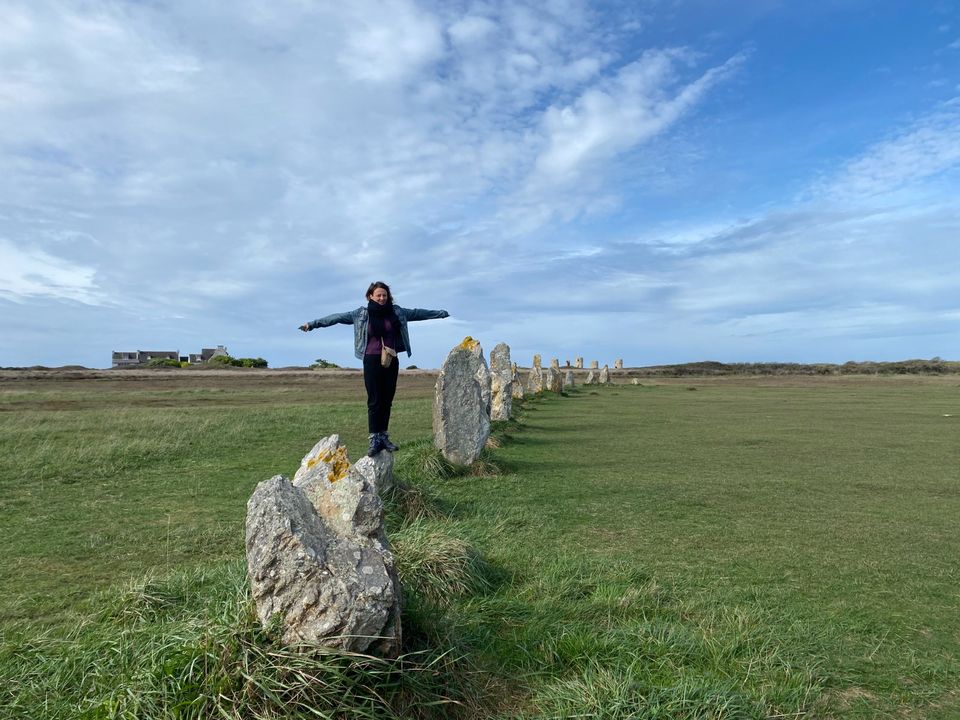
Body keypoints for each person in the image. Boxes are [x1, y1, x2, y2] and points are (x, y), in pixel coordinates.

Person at [300, 281, 449, 456]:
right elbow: (337, 317)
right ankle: (374, 439)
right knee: (374, 400)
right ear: (370, 296)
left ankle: (384, 436)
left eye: (384, 295)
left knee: (387, 399)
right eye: (378, 295)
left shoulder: (397, 311)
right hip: (371, 360)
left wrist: (440, 314)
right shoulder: (361, 314)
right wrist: (313, 324)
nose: (381, 298)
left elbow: (417, 313)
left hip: (391, 359)